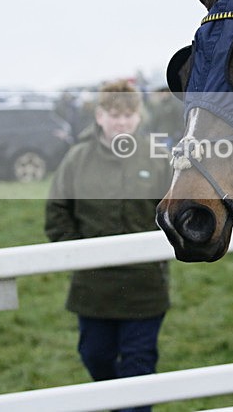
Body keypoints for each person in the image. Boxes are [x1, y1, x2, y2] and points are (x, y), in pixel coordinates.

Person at [45, 79, 170, 412]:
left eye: (129, 114)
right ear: (99, 115)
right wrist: (80, 254)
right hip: (93, 290)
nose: (122, 121)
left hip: (145, 288)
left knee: (138, 365)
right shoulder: (76, 159)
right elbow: (57, 213)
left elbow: (175, 212)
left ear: (138, 116)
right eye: (114, 114)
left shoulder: (158, 155)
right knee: (95, 356)